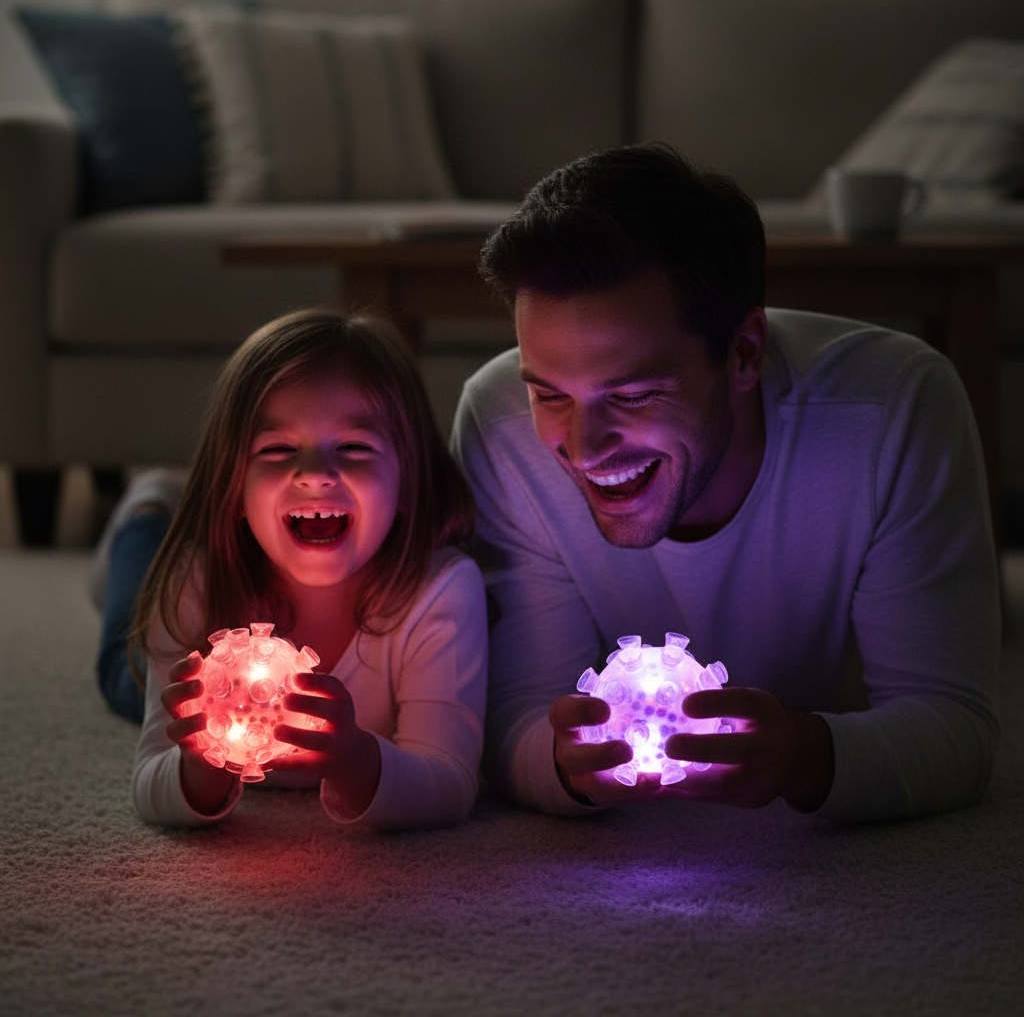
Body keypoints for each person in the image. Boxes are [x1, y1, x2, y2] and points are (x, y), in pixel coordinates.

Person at [450, 143, 1001, 824]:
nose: (583, 446)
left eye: (634, 394)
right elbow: (513, 720)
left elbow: (957, 730)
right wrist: (564, 765)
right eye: (551, 394)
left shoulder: (893, 411)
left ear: (744, 353)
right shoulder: (499, 421)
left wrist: (804, 754)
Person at [94, 308, 487, 830]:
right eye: (278, 449)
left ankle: (151, 510)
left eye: (353, 446)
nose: (316, 474)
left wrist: (353, 760)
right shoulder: (195, 582)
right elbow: (149, 783)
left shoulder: (438, 592)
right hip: (190, 577)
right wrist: (200, 763)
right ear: (232, 487)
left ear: (411, 481)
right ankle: (146, 512)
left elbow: (450, 782)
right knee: (124, 672)